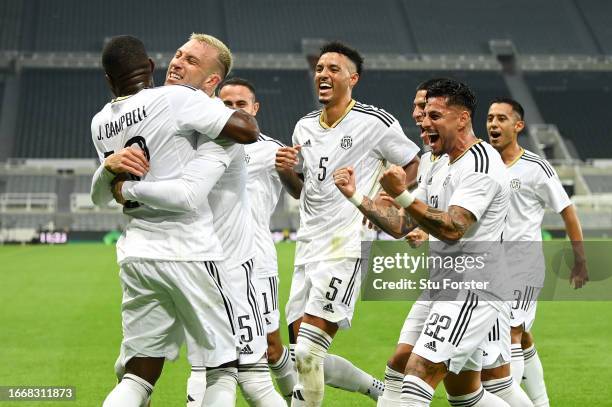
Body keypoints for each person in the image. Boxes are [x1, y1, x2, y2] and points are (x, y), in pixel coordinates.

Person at [111, 34, 285, 407]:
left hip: (229, 272)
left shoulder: (220, 132)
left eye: (191, 60)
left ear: (210, 83)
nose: (177, 62)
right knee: (178, 374)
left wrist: (124, 190)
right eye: (177, 54)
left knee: (250, 381)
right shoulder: (165, 117)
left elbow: (192, 189)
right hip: (189, 262)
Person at [335, 78, 512, 406]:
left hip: (474, 288)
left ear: (462, 119)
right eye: (423, 114)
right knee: (432, 380)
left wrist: (401, 193)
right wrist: (357, 196)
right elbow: (402, 224)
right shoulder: (438, 164)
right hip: (441, 285)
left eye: (434, 116)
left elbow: (453, 227)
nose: (423, 122)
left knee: (420, 370)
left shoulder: (481, 163)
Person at [275, 40, 420, 406]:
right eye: (320, 69)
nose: (323, 74)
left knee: (308, 352)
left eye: (333, 69)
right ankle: (377, 389)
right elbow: (300, 189)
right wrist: (285, 173)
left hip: (347, 244)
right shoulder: (303, 127)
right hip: (308, 245)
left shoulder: (375, 122)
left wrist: (393, 196)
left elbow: (413, 162)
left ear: (352, 78)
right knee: (302, 356)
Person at [487, 97, 588, 407]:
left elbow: (567, 211)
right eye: (490, 118)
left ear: (518, 126)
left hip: (523, 266)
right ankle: (540, 402)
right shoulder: (482, 162)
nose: (493, 124)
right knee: (524, 337)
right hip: (489, 265)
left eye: (501, 119)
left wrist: (580, 260)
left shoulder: (536, 167)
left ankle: (506, 402)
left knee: (512, 333)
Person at [218, 76, 297, 403]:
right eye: (226, 104)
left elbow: (300, 191)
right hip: (212, 259)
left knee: (271, 344)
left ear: (255, 108)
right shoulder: (203, 146)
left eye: (241, 104)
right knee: (220, 347)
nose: (234, 110)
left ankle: (296, 395)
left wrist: (288, 171)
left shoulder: (271, 149)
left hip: (257, 260)